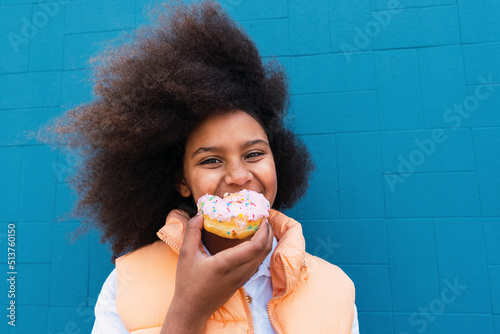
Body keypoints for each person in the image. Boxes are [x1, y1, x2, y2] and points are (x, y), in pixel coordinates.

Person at [46, 1, 359, 333]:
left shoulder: (335, 289)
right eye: (211, 160)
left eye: (254, 154)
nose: (239, 176)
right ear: (183, 181)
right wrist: (190, 308)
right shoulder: (125, 285)